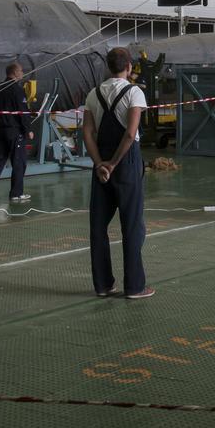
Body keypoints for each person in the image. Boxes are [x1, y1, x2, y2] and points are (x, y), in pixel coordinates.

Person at [83, 47, 153, 300]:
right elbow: (131, 134)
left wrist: (99, 163)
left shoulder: (93, 93)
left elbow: (87, 133)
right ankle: (135, 286)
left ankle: (103, 285)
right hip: (125, 163)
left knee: (98, 226)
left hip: (100, 163)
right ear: (129, 67)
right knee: (132, 225)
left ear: (108, 67)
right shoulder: (134, 92)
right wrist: (113, 164)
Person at [0, 62, 32, 203]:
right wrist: (28, 129)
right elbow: (22, 111)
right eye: (21, 71)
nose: (22, 73)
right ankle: (16, 193)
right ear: (15, 72)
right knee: (19, 162)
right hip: (14, 131)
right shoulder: (17, 89)